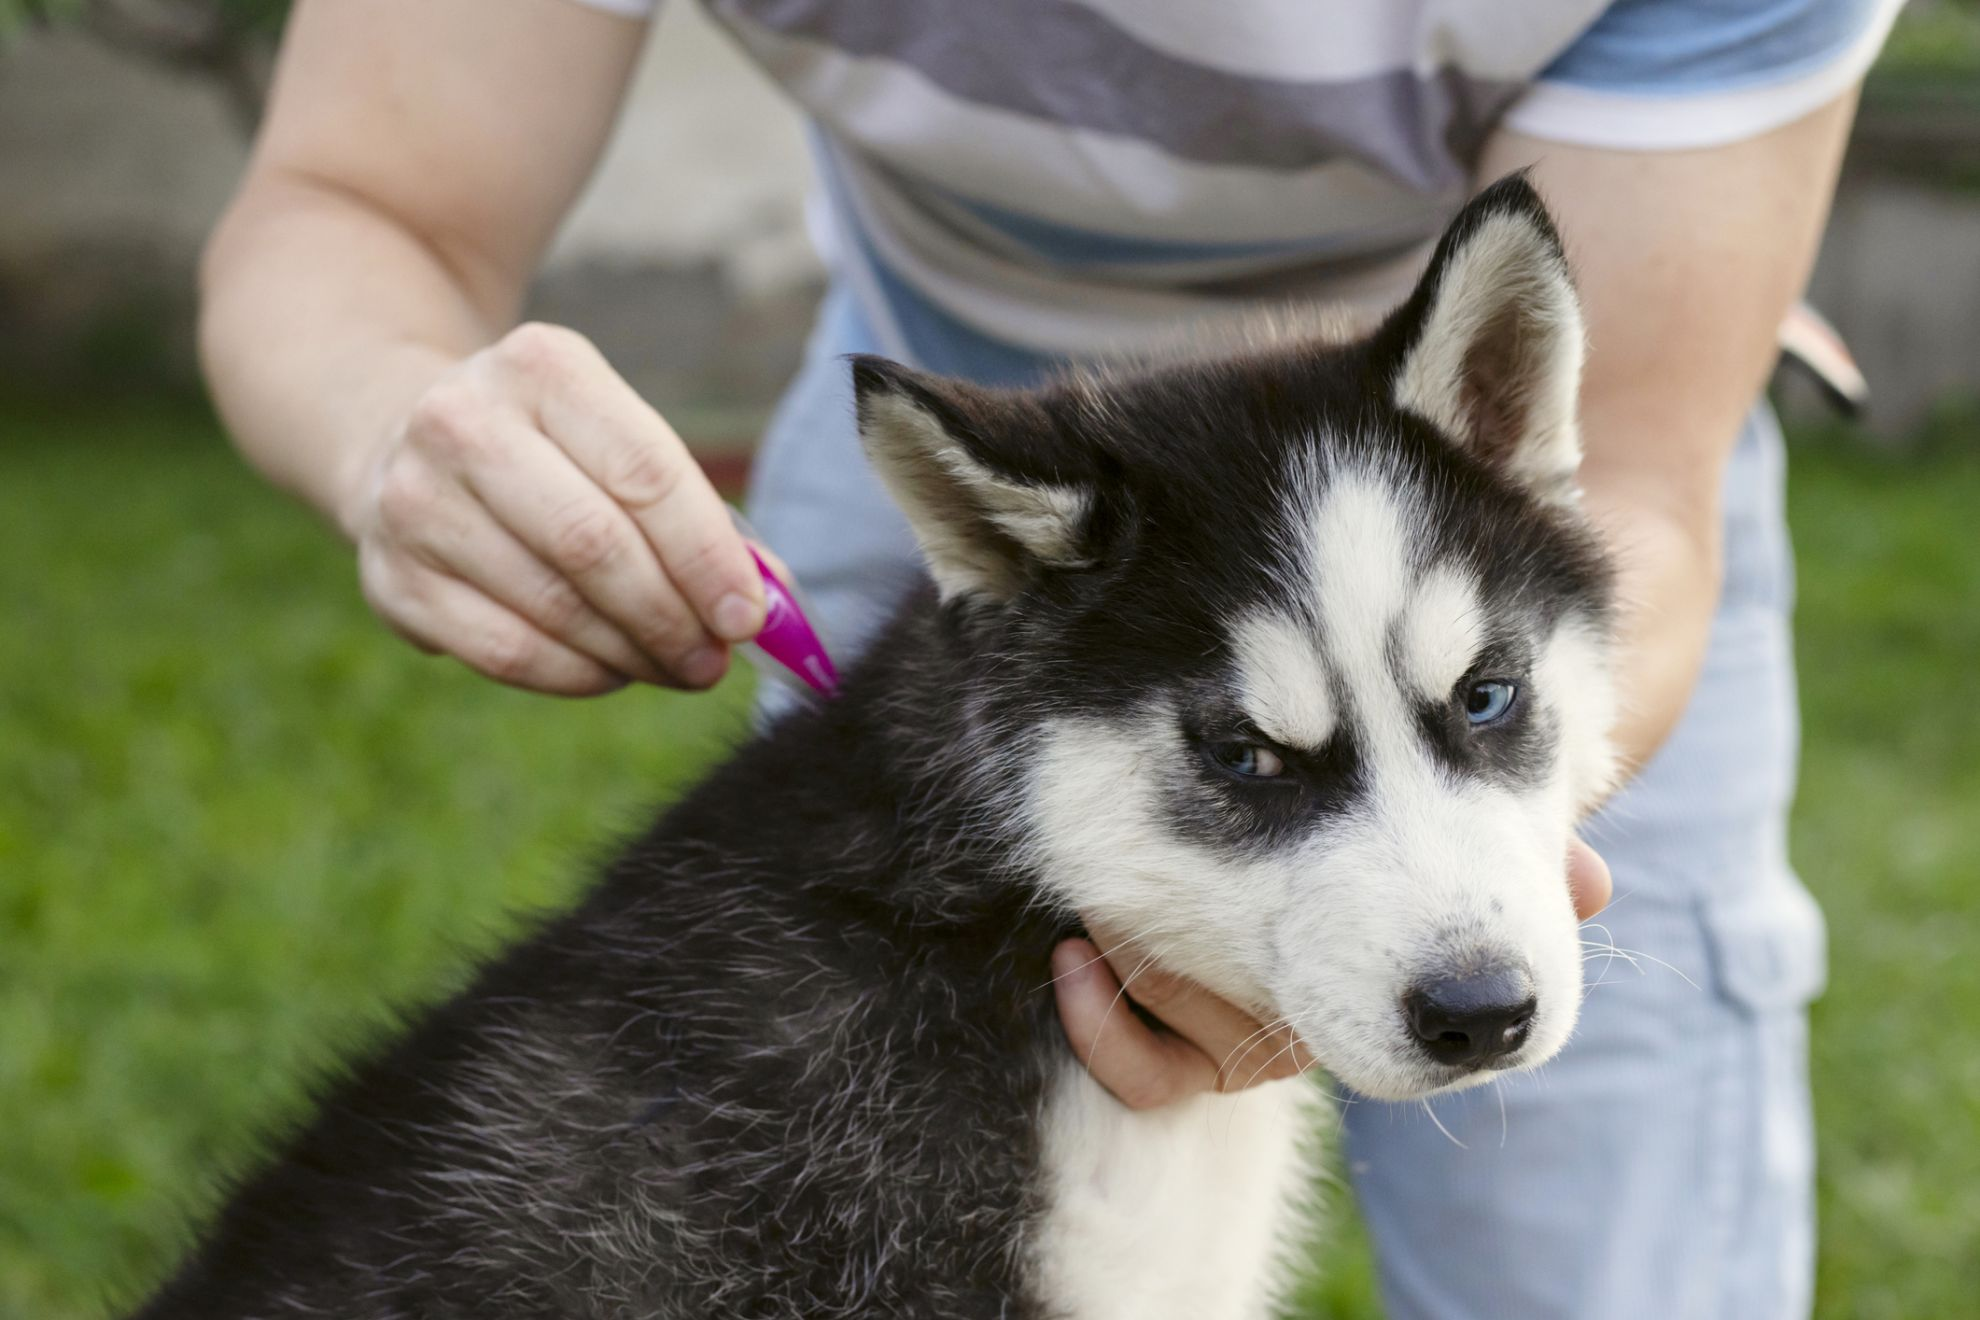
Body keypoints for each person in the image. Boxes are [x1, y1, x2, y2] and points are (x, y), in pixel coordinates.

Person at [198, 1, 1900, 1314]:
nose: (1452, 919)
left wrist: (1475, 766)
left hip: (1455, 456)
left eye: (1489, 709)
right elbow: (362, 200)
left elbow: (1643, 500)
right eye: (1256, 760)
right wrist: (388, 418)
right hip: (1010, 478)